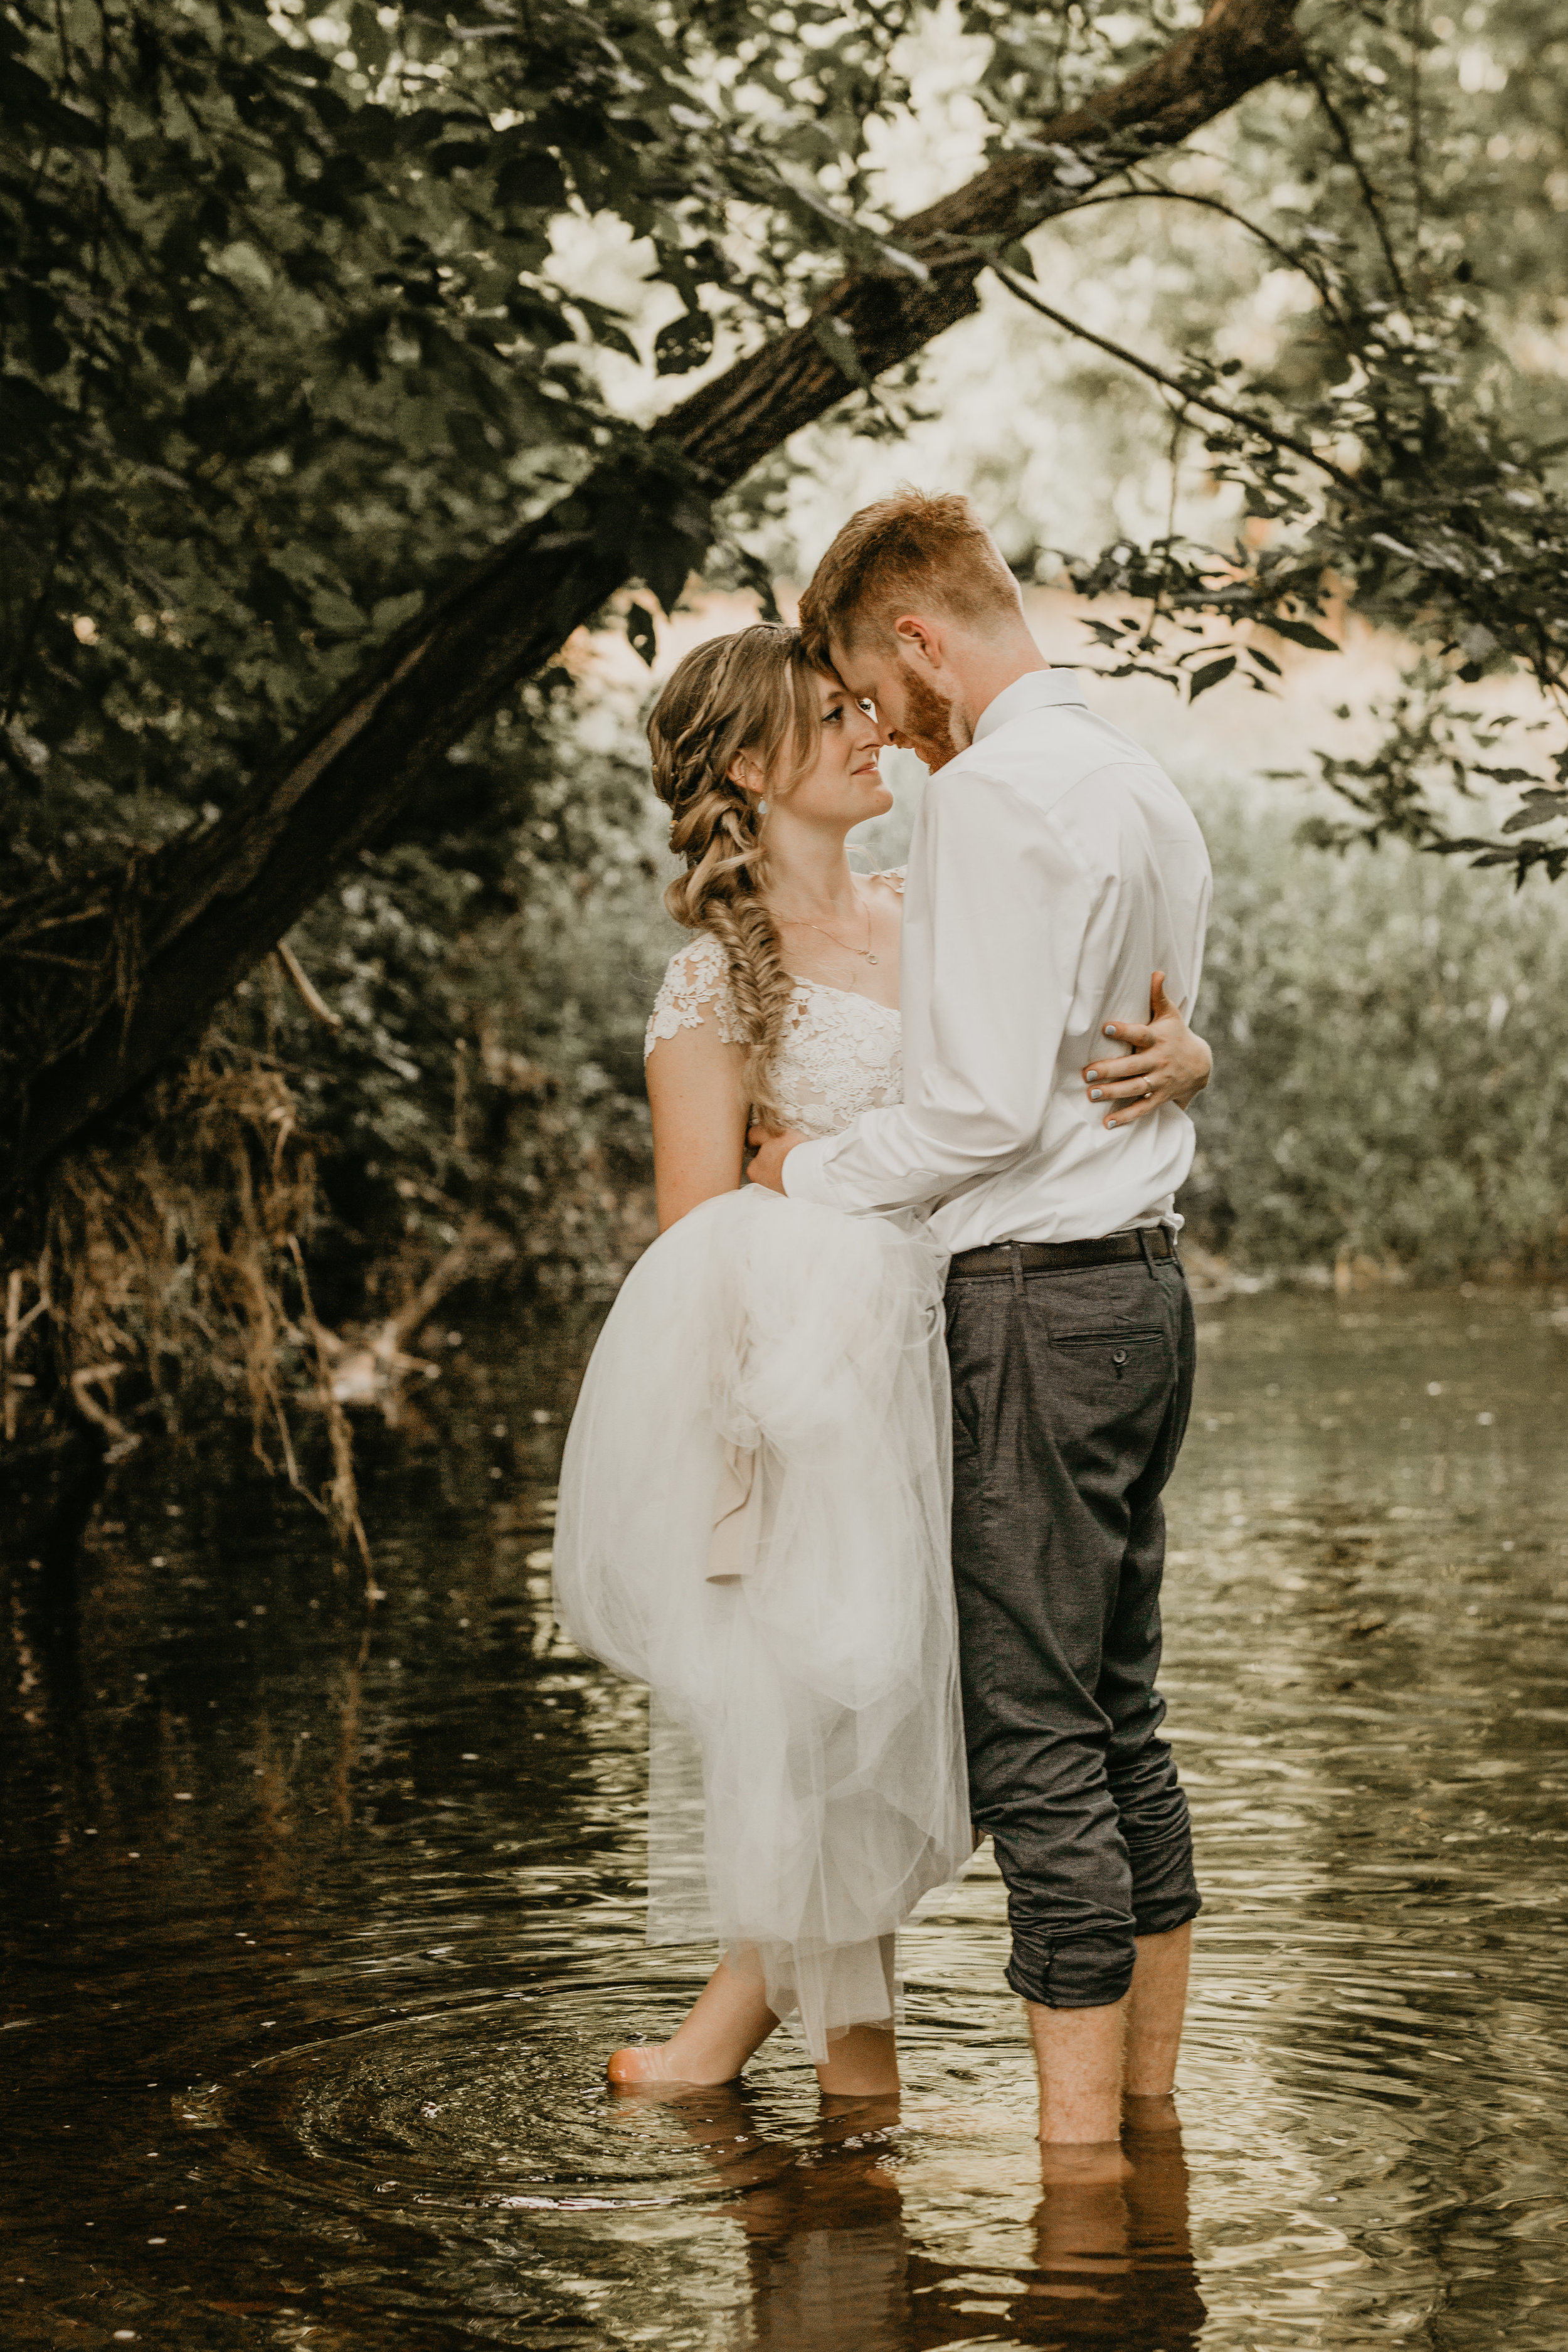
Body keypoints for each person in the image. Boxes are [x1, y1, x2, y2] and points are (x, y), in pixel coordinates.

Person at [552, 617, 1210, 2102]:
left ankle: (734, 2059)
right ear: (745, 764)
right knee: (838, 1729)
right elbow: (695, 1241)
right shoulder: (717, 983)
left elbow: (1048, 1074)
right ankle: (850, 2100)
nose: (874, 732)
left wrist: (1191, 1057)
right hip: (821, 1399)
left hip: (981, 1347)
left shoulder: (930, 907)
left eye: (867, 703)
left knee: (966, 1734)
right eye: (833, 715)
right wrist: (752, 1449)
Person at [748, 491, 1212, 2148]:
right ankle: (1143, 2130)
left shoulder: (998, 795)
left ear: (921, 643)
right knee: (1121, 1721)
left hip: (1034, 1307)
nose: (883, 733)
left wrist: (799, 1175)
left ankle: (1082, 2187)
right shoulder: (1135, 776)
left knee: (1033, 1741)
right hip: (1145, 1289)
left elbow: (973, 1114)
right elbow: (1142, 1038)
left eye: (877, 697)